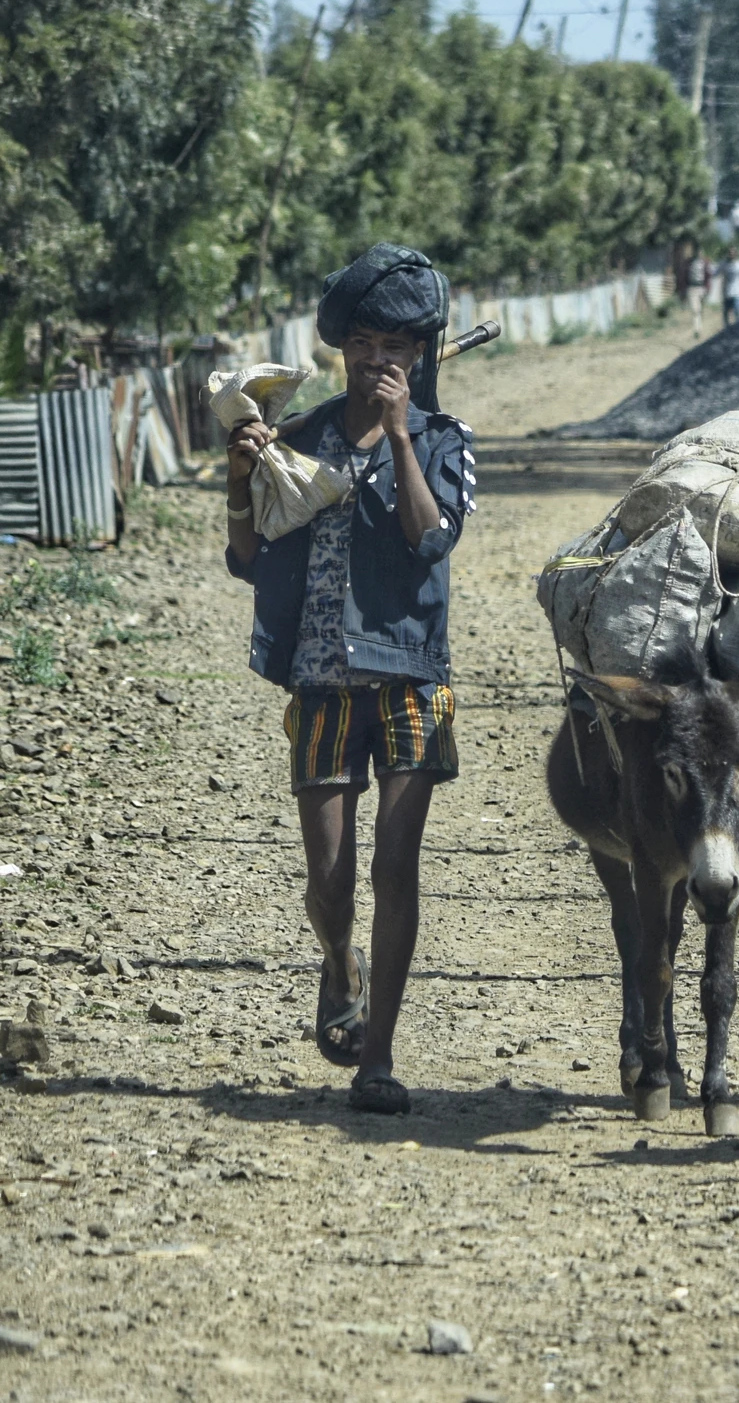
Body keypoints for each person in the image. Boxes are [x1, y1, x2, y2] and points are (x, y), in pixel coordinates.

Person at [223, 242, 475, 1115]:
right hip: (321, 685)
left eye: (396, 347)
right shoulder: (301, 438)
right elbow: (247, 560)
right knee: (330, 881)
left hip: (411, 680)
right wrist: (241, 475)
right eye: (363, 342)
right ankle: (339, 963)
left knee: (394, 869)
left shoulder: (445, 442)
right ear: (343, 348)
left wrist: (401, 434)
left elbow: (429, 539)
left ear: (419, 356)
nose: (377, 360)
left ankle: (380, 1055)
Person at [685, 244, 710, 339]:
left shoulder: (705, 262)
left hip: (701, 288)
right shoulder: (689, 263)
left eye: (700, 251)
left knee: (701, 310)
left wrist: (707, 288)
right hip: (692, 288)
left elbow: (708, 276)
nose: (698, 253)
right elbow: (684, 275)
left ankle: (699, 326)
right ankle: (696, 330)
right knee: (695, 310)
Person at [721, 246, 739, 327]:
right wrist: (723, 290)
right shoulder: (726, 265)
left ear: (736, 254)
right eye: (730, 253)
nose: (731, 254)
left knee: (737, 311)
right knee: (726, 312)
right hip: (728, 293)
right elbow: (724, 278)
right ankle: (727, 328)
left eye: (733, 253)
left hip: (738, 292)